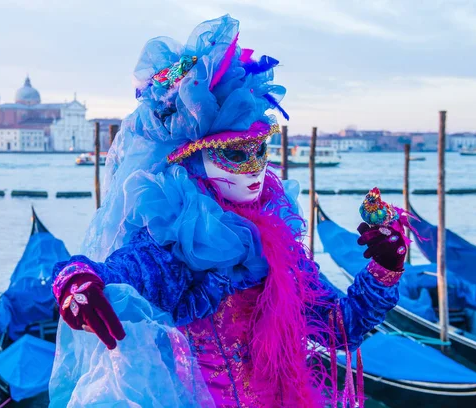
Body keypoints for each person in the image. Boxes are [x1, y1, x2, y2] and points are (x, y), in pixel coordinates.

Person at [49, 15, 408, 408]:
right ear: (193, 159)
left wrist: (385, 269)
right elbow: (122, 272)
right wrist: (76, 281)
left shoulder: (277, 241)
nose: (253, 167)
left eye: (260, 150)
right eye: (234, 153)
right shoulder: (178, 241)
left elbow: (340, 327)